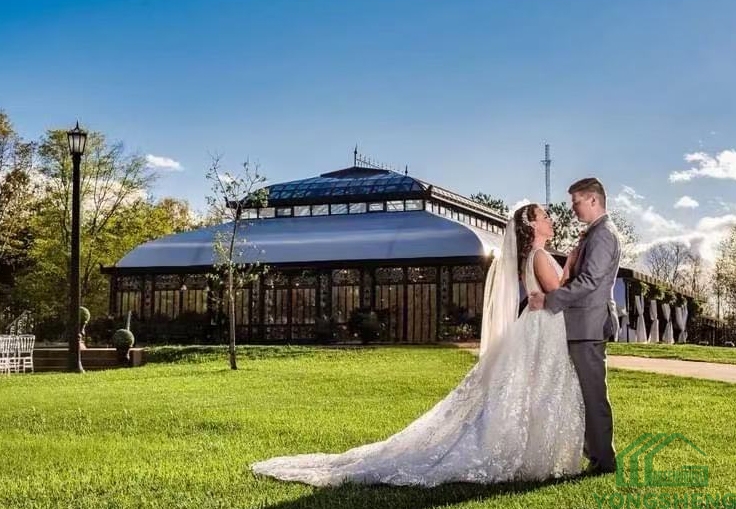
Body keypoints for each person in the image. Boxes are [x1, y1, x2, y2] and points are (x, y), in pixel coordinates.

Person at [251, 203, 585, 487]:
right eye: (545, 216)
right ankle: (529, 452)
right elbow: (561, 291)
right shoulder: (540, 255)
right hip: (542, 327)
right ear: (532, 225)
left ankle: (530, 449)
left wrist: (568, 264)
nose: (551, 220)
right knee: (540, 385)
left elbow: (555, 291)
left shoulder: (536, 255)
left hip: (543, 326)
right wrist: (573, 262)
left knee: (537, 385)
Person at [529, 177, 620, 475]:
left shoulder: (603, 234)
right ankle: (595, 455)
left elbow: (590, 281)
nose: (573, 209)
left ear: (593, 200)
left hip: (588, 324)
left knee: (592, 395)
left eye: (576, 202)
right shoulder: (593, 234)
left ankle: (603, 461)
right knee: (583, 393)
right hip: (581, 323)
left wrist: (551, 299)